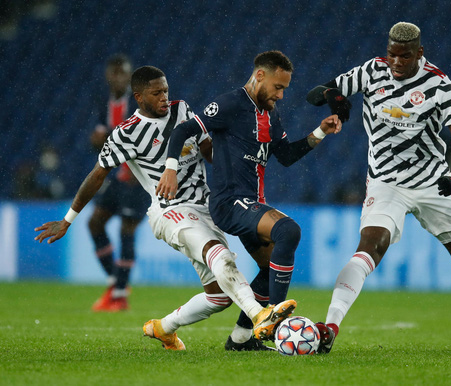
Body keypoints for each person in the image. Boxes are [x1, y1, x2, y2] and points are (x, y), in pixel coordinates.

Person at [34, 65, 297, 351]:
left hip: (209, 206)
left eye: (166, 91)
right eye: (156, 93)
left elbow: (209, 150)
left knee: (219, 297)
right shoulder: (126, 133)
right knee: (220, 255)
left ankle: (163, 328)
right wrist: (68, 219)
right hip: (171, 211)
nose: (163, 97)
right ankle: (259, 315)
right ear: (139, 96)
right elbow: (98, 174)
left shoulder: (182, 110)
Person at [306, 22, 451, 353]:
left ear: (420, 53)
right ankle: (329, 328)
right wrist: (334, 97)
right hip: (385, 182)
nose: (396, 62)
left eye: (405, 56)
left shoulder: (440, 86)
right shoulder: (372, 70)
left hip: (432, 183)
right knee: (371, 245)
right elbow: (316, 93)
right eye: (392, 55)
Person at [157, 50, 342, 344]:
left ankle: (242, 339)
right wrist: (170, 169)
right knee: (288, 230)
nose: (280, 95)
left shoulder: (271, 115)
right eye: (277, 87)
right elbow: (183, 130)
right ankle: (276, 319)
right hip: (229, 202)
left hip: (250, 202)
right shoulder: (229, 104)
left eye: (284, 89)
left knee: (270, 269)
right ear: (259, 76)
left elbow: (287, 156)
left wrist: (320, 131)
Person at [88, 54, 150, 312]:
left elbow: (150, 137)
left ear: (130, 77)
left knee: (127, 230)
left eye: (123, 73)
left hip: (141, 177)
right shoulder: (104, 102)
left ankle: (119, 296)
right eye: (114, 73)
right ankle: (116, 282)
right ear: (108, 76)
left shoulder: (141, 104)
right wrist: (98, 138)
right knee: (95, 223)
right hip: (120, 177)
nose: (118, 78)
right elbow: (101, 142)